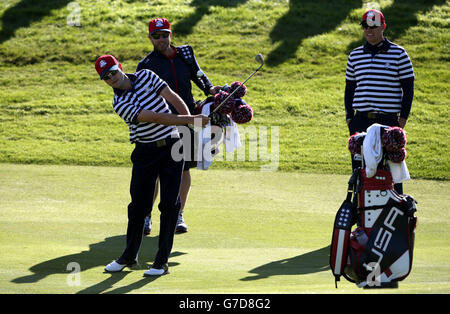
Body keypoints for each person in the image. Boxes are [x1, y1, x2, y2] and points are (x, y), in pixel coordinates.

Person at [95, 55, 209, 276]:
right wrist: (190, 120)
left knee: (169, 205)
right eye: (106, 77)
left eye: (113, 72)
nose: (111, 78)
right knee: (138, 207)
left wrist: (188, 119)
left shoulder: (147, 76)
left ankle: (161, 262)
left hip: (172, 147)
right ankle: (129, 256)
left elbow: (172, 97)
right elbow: (154, 117)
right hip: (145, 152)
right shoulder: (119, 103)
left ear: (120, 67)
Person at [137, 18, 221, 235]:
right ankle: (146, 217)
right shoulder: (146, 66)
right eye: (156, 36)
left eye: (164, 34)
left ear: (170, 35)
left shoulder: (185, 53)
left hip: (187, 120)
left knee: (183, 169)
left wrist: (211, 90)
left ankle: (177, 215)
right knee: (155, 172)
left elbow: (198, 74)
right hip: (162, 125)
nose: (161, 39)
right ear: (150, 38)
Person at [345, 9, 414, 194]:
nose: (369, 31)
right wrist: (350, 118)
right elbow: (349, 89)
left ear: (383, 27)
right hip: (361, 120)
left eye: (374, 27)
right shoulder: (355, 55)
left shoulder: (399, 54)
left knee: (392, 171)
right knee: (360, 172)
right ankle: (362, 217)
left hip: (389, 122)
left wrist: (402, 119)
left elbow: (408, 89)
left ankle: (397, 215)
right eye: (366, 27)